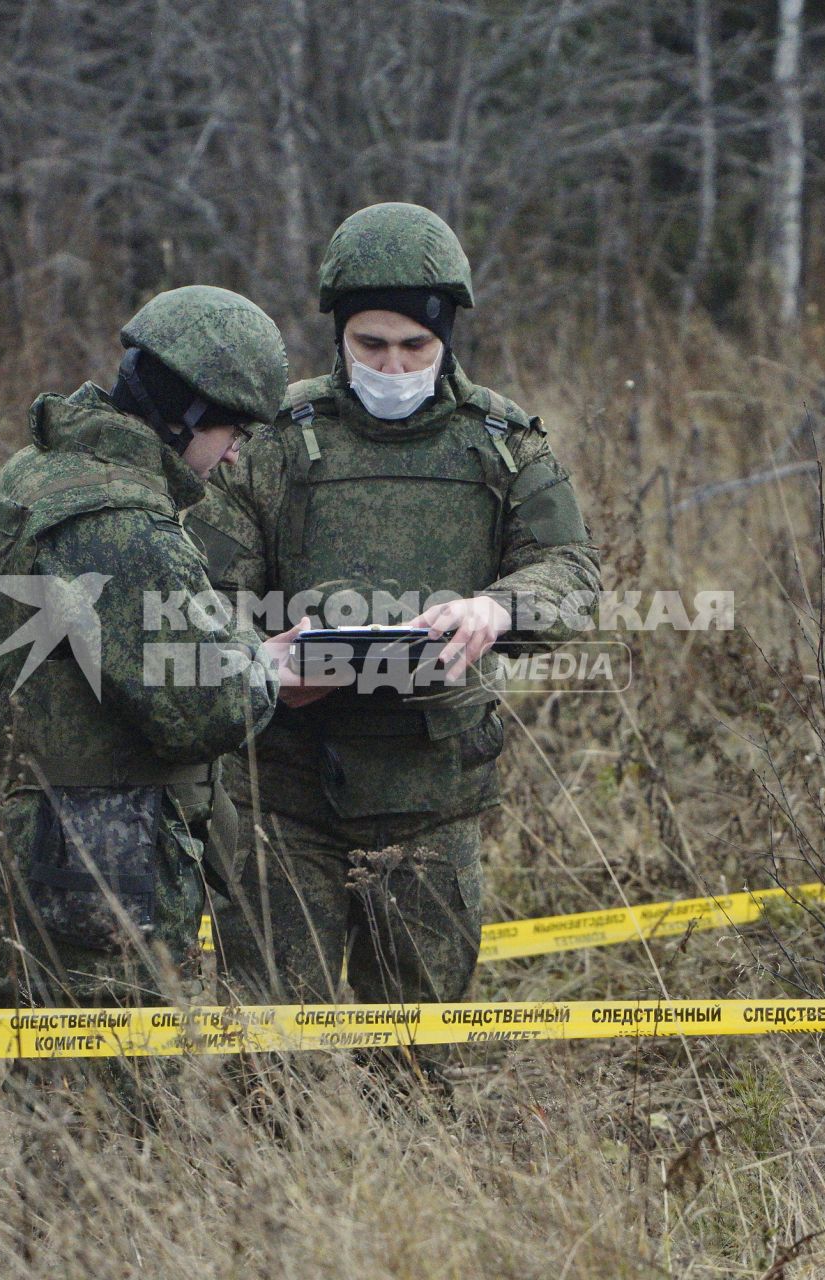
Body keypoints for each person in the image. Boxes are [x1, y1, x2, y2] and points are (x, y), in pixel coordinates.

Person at [188, 203, 602, 1032]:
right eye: (370, 344)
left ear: (447, 338)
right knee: (269, 1048)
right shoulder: (271, 441)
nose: (393, 364)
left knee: (416, 1054)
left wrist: (497, 608)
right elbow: (204, 598)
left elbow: (573, 573)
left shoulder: (502, 442)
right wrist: (268, 660)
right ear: (337, 334)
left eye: (416, 345)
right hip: (284, 785)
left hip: (432, 787)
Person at [0, 284, 310, 1124]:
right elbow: (202, 709)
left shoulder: (40, 470)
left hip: (42, 838)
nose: (232, 459)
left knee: (61, 1108)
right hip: (92, 865)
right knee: (107, 1128)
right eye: (231, 432)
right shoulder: (120, 520)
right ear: (185, 412)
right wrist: (271, 673)